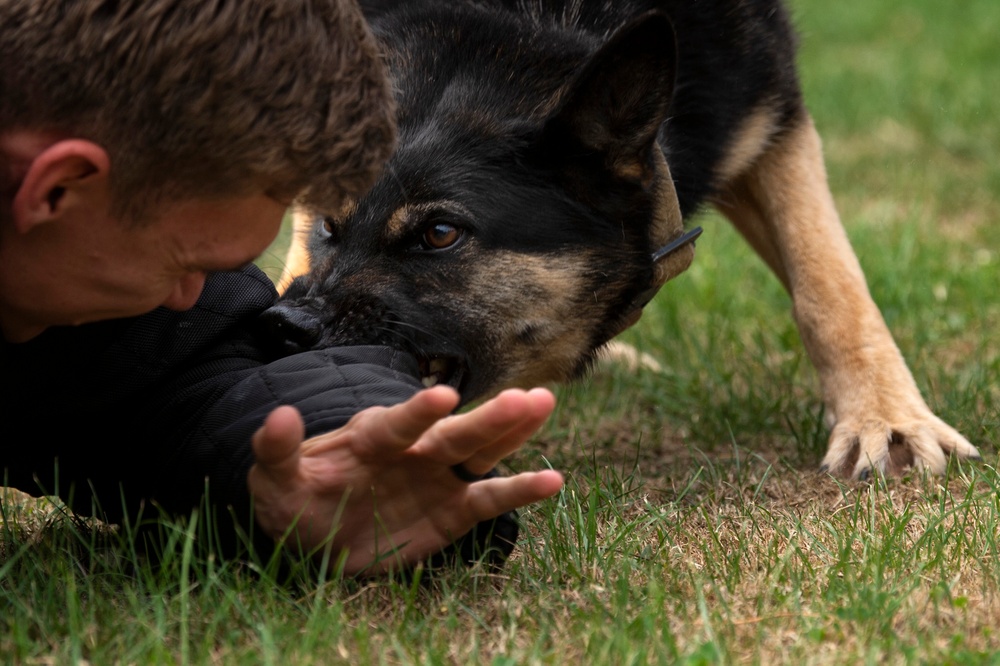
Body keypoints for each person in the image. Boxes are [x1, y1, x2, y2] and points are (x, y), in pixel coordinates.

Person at [0, 0, 563, 575]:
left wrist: (333, 460)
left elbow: (203, 380)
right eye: (183, 264)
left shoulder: (115, 305)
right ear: (56, 189)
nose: (189, 296)